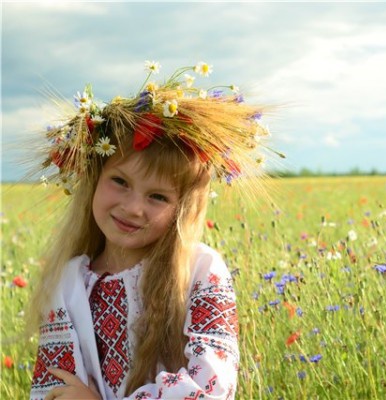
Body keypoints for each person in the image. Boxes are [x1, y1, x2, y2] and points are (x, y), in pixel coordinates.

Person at [27, 60, 279, 400]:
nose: (133, 207)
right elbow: (52, 388)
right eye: (120, 181)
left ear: (182, 209)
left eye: (158, 196)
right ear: (94, 180)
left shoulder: (199, 270)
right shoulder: (67, 281)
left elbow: (212, 387)